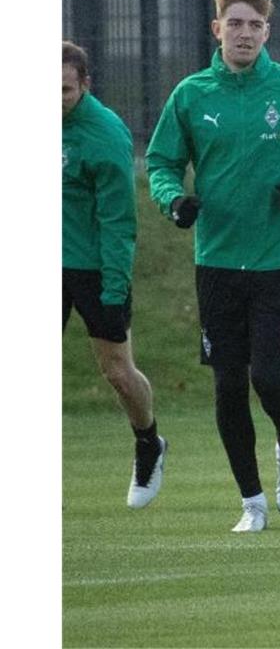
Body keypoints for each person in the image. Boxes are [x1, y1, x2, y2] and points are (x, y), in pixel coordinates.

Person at [146, 0, 280, 532]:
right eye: (233, 23)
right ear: (216, 29)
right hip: (217, 259)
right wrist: (174, 202)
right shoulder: (191, 94)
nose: (243, 33)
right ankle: (251, 502)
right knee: (229, 383)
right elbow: (162, 163)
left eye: (254, 25)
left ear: (267, 32)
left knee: (270, 377)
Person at [63, 40, 167, 509]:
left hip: (92, 269)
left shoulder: (104, 134)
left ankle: (149, 443)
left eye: (63, 89)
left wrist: (113, 287)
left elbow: (118, 221)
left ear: (85, 85)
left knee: (118, 373)